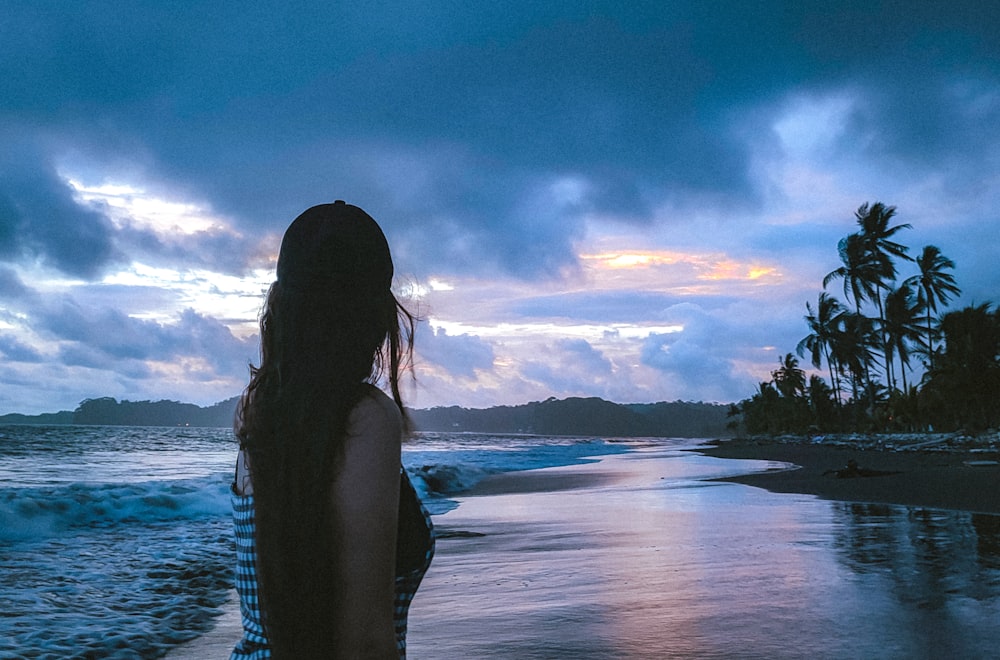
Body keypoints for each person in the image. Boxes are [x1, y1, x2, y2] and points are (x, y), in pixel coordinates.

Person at [231, 200, 434, 659]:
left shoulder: (256, 408)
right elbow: (364, 643)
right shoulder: (365, 420)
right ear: (377, 317)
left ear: (281, 306)